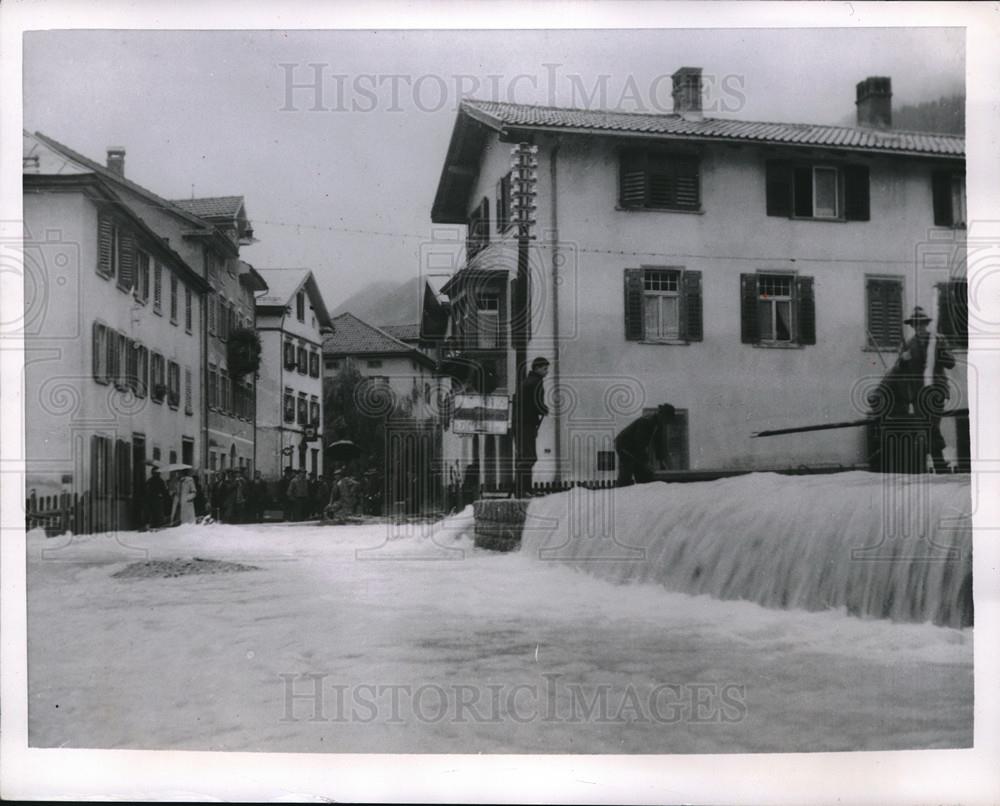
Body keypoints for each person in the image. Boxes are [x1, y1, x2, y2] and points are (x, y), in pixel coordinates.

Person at [894, 305, 956, 472]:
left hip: (936, 389)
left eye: (921, 323)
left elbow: (951, 363)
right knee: (928, 426)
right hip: (917, 393)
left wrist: (939, 352)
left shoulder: (938, 339)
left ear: (926, 324)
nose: (918, 326)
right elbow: (898, 370)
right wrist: (903, 360)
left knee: (931, 424)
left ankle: (939, 463)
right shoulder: (908, 345)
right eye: (915, 324)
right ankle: (940, 464)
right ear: (912, 326)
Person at [514, 356, 550, 497]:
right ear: (537, 368)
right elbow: (536, 402)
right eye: (545, 369)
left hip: (522, 423)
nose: (547, 372)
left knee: (525, 457)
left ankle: (522, 489)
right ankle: (524, 490)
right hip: (526, 424)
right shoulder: (535, 382)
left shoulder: (527, 382)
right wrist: (543, 409)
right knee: (528, 458)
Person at [615, 404, 676, 486]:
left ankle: (642, 487)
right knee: (627, 470)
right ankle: (623, 489)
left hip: (634, 446)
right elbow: (639, 443)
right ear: (662, 415)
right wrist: (646, 461)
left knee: (642, 472)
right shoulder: (646, 422)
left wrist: (661, 461)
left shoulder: (659, 424)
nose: (667, 422)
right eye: (667, 419)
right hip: (624, 445)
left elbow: (658, 444)